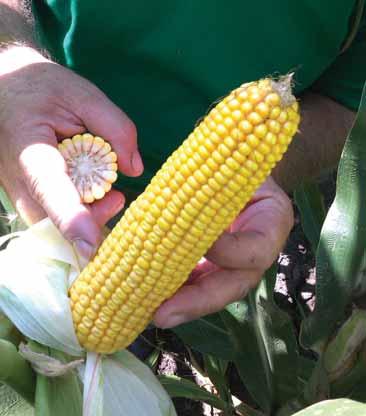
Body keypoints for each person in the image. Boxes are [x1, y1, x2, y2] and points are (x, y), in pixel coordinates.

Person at [0, 1, 364, 329]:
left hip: (181, 256)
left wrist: (249, 175)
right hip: (25, 146)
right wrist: (10, 62)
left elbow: (349, 102)